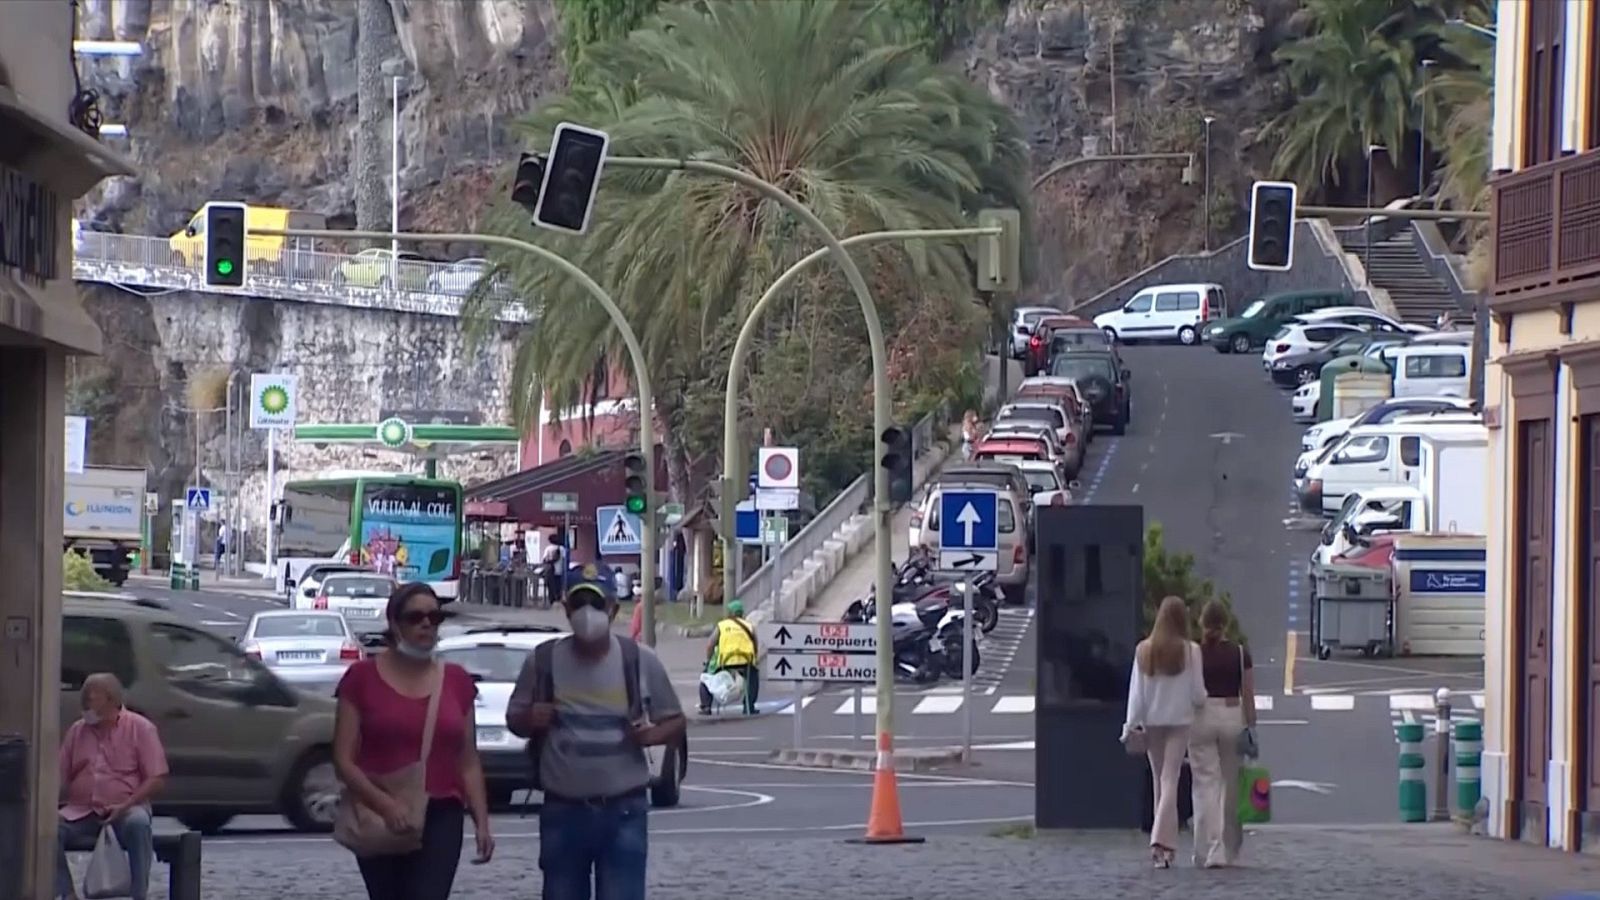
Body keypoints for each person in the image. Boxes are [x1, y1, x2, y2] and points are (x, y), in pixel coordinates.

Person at [506, 562, 686, 900]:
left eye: (596, 603)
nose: (587, 612)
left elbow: (675, 720)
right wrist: (531, 718)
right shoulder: (543, 660)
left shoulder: (639, 660)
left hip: (624, 810)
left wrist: (650, 735)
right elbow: (514, 719)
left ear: (613, 609)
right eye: (578, 603)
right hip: (563, 809)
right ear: (566, 608)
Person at [333, 583, 494, 900]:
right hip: (379, 809)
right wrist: (385, 805)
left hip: (442, 813)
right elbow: (343, 760)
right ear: (394, 623)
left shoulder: (457, 681)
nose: (426, 624)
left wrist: (482, 823)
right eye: (415, 617)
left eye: (435, 617)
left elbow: (468, 760)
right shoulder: (361, 679)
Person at [56, 672, 168, 900]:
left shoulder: (140, 728)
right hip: (82, 811)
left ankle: (139, 894)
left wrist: (125, 805)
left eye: (91, 700)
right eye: (84, 700)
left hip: (127, 808)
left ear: (111, 701)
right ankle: (67, 893)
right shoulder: (77, 731)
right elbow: (59, 775)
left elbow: (157, 778)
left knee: (138, 824)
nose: (86, 706)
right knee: (49, 832)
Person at [1122, 595, 1207, 869]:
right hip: (1180, 722)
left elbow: (1136, 694)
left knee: (1160, 780)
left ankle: (1162, 850)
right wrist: (1200, 702)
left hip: (1152, 722)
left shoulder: (1143, 650)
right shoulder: (1191, 651)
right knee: (1171, 778)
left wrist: (1130, 724)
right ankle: (1162, 842)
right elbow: (1198, 694)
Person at [1189, 599, 1258, 869]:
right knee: (1230, 785)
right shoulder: (1240, 654)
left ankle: (1204, 847)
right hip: (1231, 715)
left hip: (1201, 716)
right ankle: (1226, 848)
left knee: (1204, 783)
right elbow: (1248, 695)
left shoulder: (1195, 654)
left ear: (1202, 623)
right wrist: (1251, 727)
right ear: (1225, 623)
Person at [698, 600, 758, 715]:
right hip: (745, 662)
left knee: (706, 677)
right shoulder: (749, 626)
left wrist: (708, 661)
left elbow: (710, 645)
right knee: (753, 678)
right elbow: (755, 644)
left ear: (730, 613)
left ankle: (706, 706)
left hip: (725, 662)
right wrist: (754, 659)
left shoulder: (722, 626)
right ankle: (749, 706)